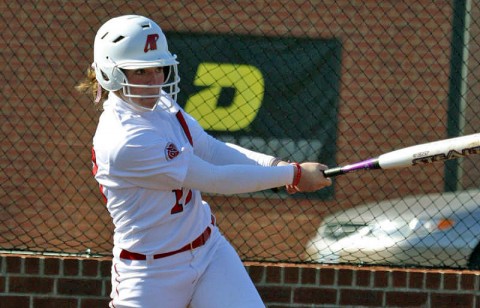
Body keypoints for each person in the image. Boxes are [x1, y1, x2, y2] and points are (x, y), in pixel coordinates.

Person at [76, 14, 331, 308]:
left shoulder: (160, 104)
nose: (155, 80)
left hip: (209, 251)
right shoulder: (124, 139)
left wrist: (275, 167)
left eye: (158, 68)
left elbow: (210, 149)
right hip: (151, 273)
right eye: (141, 72)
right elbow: (213, 178)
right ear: (111, 73)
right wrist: (293, 175)